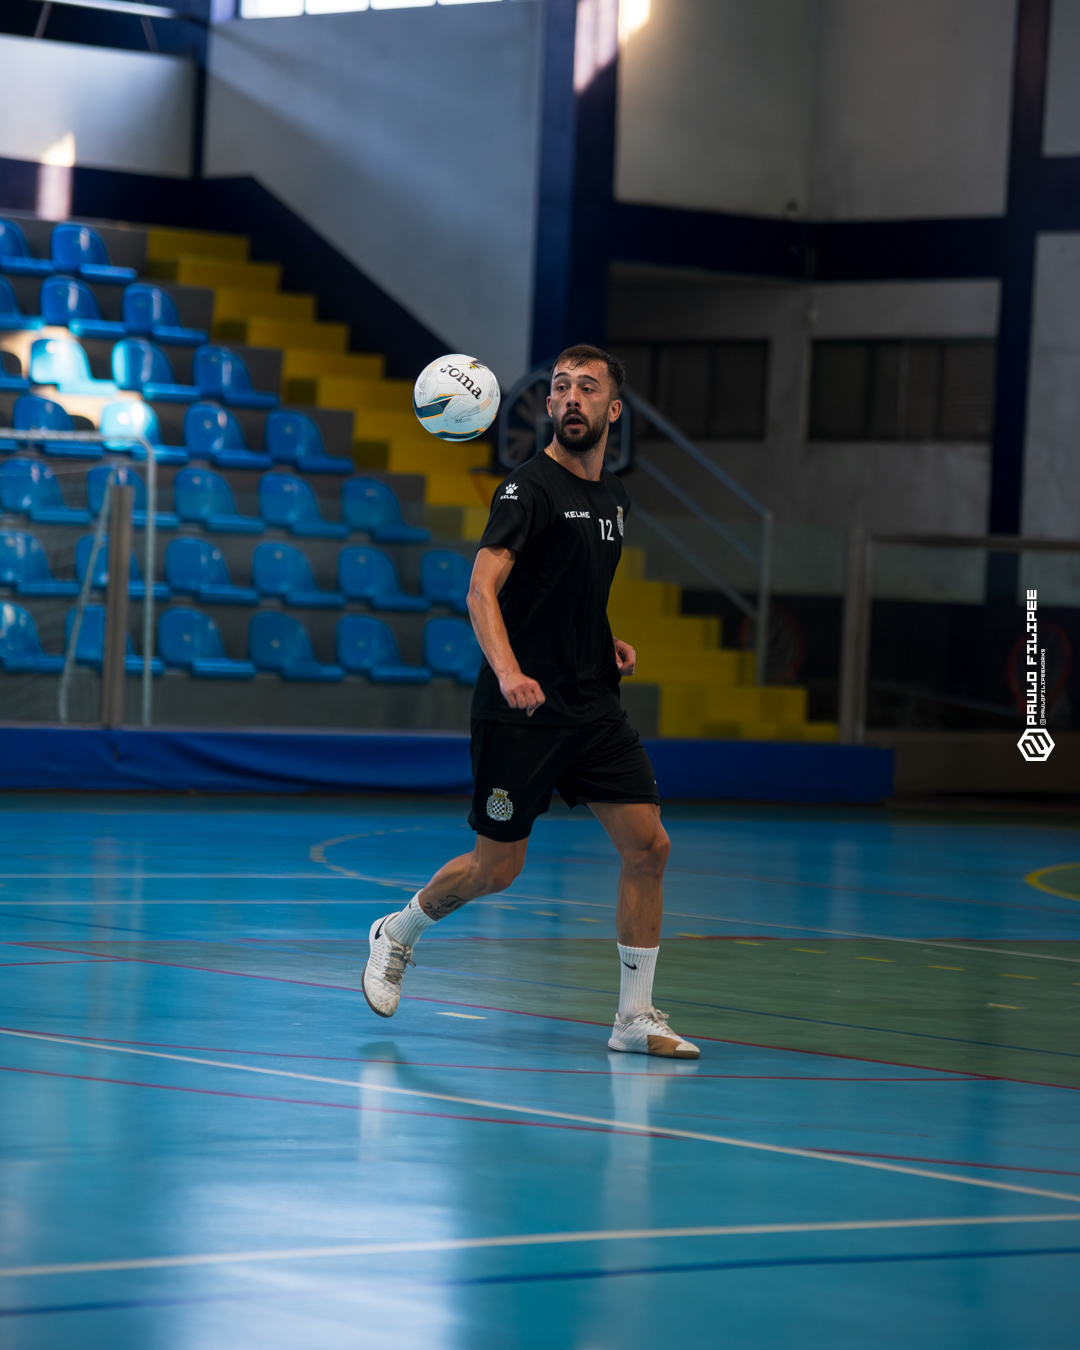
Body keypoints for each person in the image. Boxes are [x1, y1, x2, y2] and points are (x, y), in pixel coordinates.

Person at [362, 345, 699, 1059]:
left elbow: (573, 589)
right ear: (548, 406)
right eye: (561, 387)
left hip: (593, 705)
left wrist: (604, 639)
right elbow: (481, 590)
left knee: (649, 847)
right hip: (522, 712)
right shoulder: (525, 490)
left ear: (613, 409)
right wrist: (511, 671)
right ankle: (398, 932)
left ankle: (633, 1019)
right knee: (497, 870)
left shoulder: (614, 498)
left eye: (588, 388)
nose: (572, 397)